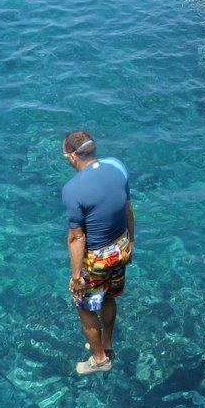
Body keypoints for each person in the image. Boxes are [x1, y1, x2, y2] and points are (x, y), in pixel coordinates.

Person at [60, 130, 134, 375]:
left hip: (98, 259)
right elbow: (127, 209)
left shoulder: (72, 190)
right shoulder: (117, 166)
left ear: (72, 157)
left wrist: (76, 277)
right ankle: (107, 345)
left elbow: (77, 237)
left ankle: (100, 360)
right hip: (121, 246)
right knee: (109, 297)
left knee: (86, 307)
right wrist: (131, 244)